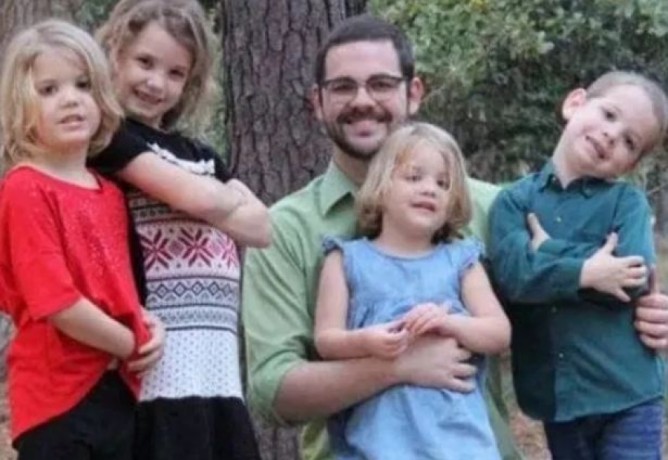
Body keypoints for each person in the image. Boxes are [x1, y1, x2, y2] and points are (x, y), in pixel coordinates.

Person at [242, 14, 668, 460]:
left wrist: (642, 314)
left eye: (382, 84)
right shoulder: (285, 229)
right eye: (343, 87)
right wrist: (396, 367)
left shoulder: (491, 207)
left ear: (414, 93)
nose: (362, 100)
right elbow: (272, 393)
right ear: (317, 101)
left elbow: (574, 288)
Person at [91, 1, 268, 459]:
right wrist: (213, 198)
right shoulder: (109, 137)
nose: (156, 83)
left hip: (216, 368)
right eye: (145, 62)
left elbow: (261, 227)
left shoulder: (199, 153)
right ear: (114, 54)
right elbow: (201, 200)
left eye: (175, 73)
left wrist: (204, 195)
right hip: (157, 366)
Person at [0, 19, 165, 460]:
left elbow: (115, 288)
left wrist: (148, 323)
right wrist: (132, 342)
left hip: (117, 391)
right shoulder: (25, 188)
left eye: (83, 84)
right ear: (20, 105)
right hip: (55, 399)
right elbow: (58, 303)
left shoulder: (109, 193)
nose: (70, 99)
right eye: (48, 89)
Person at [488, 71, 668, 459]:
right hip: (558, 399)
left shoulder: (628, 204)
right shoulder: (514, 202)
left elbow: (631, 280)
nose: (611, 135)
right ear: (575, 103)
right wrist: (588, 272)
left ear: (630, 164)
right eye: (609, 115)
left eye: (629, 141)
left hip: (629, 393)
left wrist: (548, 251)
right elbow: (515, 277)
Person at [313, 122, 511, 459]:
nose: (429, 189)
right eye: (414, 177)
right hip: (379, 446)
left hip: (461, 446)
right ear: (381, 185)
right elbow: (326, 340)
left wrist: (448, 323)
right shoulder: (346, 260)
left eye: (443, 183)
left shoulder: (461, 261)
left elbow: (498, 333)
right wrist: (366, 342)